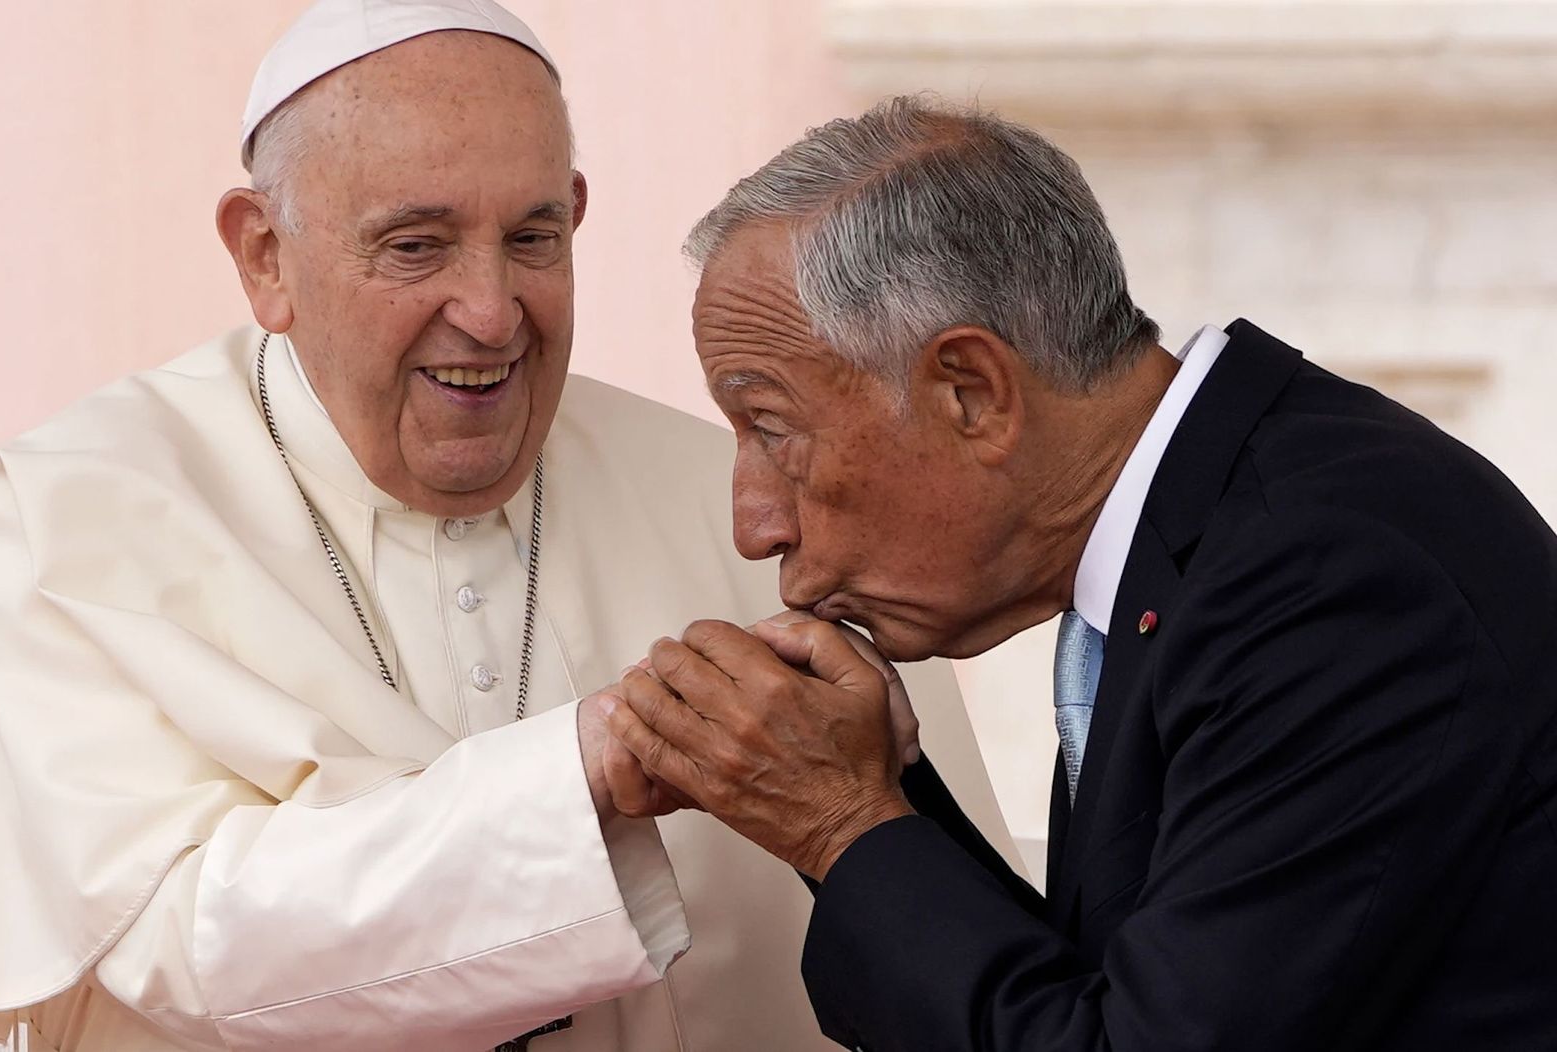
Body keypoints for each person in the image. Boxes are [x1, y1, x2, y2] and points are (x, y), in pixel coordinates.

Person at [0, 8, 1014, 1050]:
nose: (492, 310)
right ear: (264, 255)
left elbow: (951, 939)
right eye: (415, 246)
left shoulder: (736, 506)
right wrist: (586, 767)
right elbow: (177, 941)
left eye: (531, 238)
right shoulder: (59, 522)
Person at [604, 96, 1557, 1050]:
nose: (753, 525)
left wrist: (839, 822)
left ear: (970, 392)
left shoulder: (1325, 581)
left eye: (774, 430)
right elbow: (1099, 988)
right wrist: (871, 796)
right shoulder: (1213, 527)